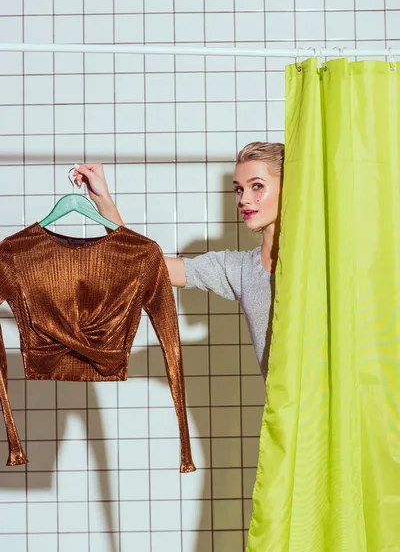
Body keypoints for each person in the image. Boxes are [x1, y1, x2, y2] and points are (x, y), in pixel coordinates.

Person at [73, 141, 284, 380]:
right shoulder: (241, 270)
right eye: (239, 189)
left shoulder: (325, 261)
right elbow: (143, 263)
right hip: (283, 412)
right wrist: (103, 201)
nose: (244, 199)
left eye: (257, 186)